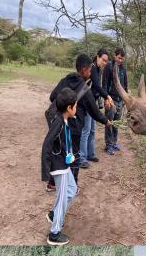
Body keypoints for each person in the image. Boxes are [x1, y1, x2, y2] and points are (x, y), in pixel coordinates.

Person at [46, 54, 111, 191]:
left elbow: (52, 97)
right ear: (84, 69)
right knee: (74, 156)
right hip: (74, 129)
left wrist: (64, 105)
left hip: (60, 125)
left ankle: (52, 183)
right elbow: (94, 111)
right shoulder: (84, 89)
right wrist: (106, 121)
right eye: (89, 70)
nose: (90, 73)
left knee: (58, 153)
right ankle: (73, 186)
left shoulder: (64, 81)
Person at [42, 87, 78, 245]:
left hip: (65, 163)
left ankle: (54, 214)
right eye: (75, 106)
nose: (76, 108)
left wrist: (69, 155)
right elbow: (47, 145)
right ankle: (54, 234)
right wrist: (46, 171)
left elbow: (62, 142)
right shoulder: (58, 122)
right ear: (69, 108)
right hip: (59, 168)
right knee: (62, 199)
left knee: (72, 190)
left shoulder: (63, 119)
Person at [79, 49, 113, 168]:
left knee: (92, 130)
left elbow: (97, 87)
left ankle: (90, 154)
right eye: (103, 60)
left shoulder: (98, 69)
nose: (104, 63)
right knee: (86, 130)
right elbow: (98, 86)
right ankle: (82, 158)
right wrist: (107, 96)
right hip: (87, 103)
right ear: (97, 57)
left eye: (106, 61)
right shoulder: (92, 68)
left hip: (92, 103)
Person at [103, 47, 128, 154]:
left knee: (116, 123)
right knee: (109, 122)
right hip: (111, 99)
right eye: (118, 58)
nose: (120, 60)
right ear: (115, 56)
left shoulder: (123, 69)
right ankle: (108, 145)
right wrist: (106, 98)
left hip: (120, 100)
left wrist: (126, 99)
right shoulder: (109, 66)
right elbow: (104, 84)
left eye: (122, 59)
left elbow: (125, 85)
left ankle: (114, 143)